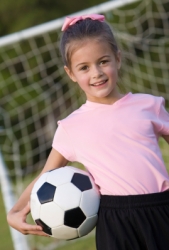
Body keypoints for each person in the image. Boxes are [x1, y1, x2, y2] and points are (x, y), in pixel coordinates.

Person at [7, 14, 169, 250]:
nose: (96, 73)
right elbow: (45, 176)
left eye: (103, 62)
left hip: (162, 207)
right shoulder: (71, 127)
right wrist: (16, 211)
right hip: (116, 222)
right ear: (71, 73)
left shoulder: (149, 105)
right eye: (84, 67)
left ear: (118, 59)